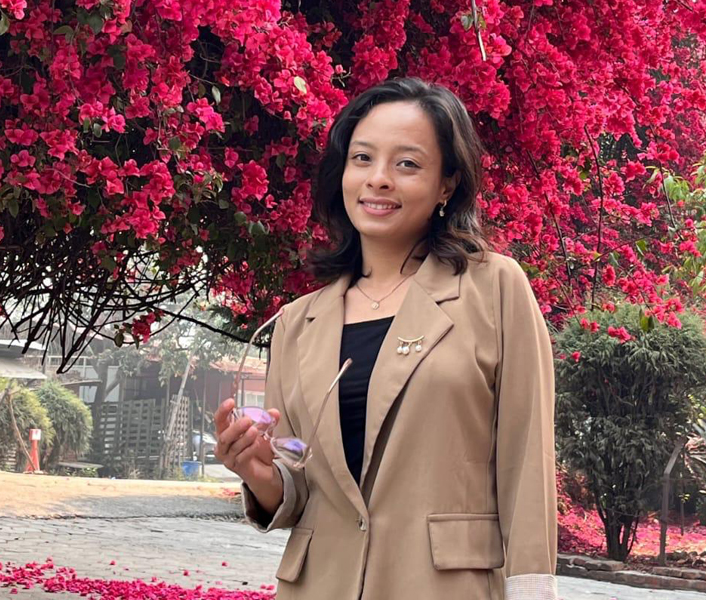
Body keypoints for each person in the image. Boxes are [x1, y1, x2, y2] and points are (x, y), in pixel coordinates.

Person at [214, 77, 557, 600]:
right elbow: (299, 469)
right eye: (362, 158)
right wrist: (260, 474)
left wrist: (532, 592)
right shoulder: (297, 323)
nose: (378, 179)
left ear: (446, 185)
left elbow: (526, 461)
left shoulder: (493, 289)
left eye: (407, 164)